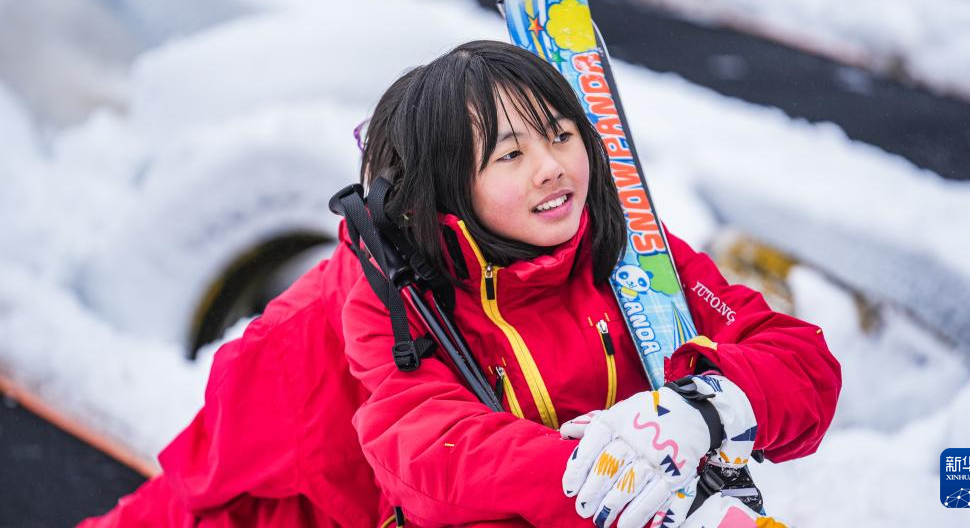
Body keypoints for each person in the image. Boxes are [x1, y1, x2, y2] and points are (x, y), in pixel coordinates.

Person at [80, 40, 841, 527]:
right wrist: (611, 475)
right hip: (293, 498)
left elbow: (797, 359)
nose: (552, 166)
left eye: (561, 134)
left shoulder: (631, 255)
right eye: (510, 155)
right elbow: (429, 450)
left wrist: (699, 412)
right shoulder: (392, 290)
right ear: (447, 188)